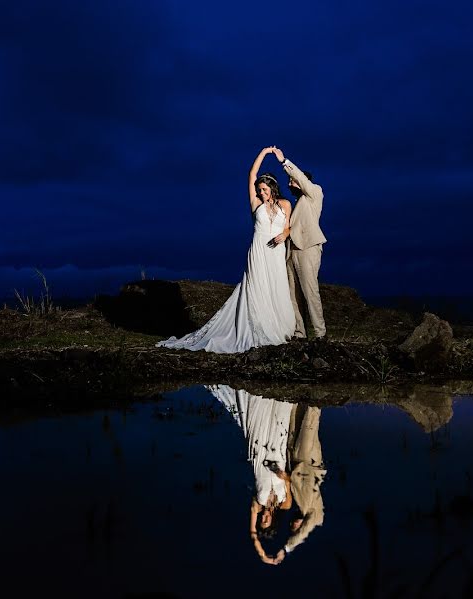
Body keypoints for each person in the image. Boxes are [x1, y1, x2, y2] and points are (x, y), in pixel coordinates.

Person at [156, 147, 295, 353]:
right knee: (257, 288)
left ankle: (279, 326)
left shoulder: (285, 204)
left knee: (276, 286)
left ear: (273, 188)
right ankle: (258, 327)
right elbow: (251, 175)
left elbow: (288, 227)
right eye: (259, 190)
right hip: (258, 251)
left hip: (276, 251)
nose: (261, 193)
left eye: (265, 190)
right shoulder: (255, 203)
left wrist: (285, 234)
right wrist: (264, 152)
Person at [206, 385, 295, 565]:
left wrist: (263, 556)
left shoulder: (258, 504)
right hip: (277, 455)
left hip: (260, 454)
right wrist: (281, 474)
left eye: (261, 520)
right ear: (273, 522)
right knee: (280, 416)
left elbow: (253, 535)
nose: (264, 518)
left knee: (258, 417)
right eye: (266, 521)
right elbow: (288, 481)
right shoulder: (284, 505)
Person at [272, 148, 327, 340]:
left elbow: (300, 178)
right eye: (289, 181)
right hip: (291, 251)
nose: (290, 183)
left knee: (310, 290)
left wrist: (284, 162)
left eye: (292, 180)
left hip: (308, 248)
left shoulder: (314, 193)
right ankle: (300, 333)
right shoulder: (297, 203)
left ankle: (320, 333)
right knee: (293, 295)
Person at [284, 405, 327, 555]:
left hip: (295, 459)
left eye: (291, 525)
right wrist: (288, 546)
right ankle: (318, 393)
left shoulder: (297, 504)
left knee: (296, 415)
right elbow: (303, 533)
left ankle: (301, 392)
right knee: (310, 422)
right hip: (309, 460)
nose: (294, 524)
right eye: (295, 527)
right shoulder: (314, 515)